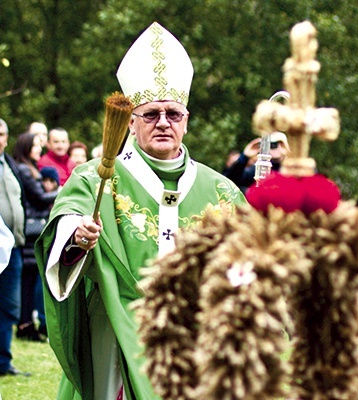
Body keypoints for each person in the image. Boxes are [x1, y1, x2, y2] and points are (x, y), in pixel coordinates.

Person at [36, 22, 247, 399]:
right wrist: (77, 236)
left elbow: (249, 264)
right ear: (130, 122)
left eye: (173, 113)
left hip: (193, 339)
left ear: (187, 120)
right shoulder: (97, 176)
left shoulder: (221, 190)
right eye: (151, 114)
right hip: (117, 333)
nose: (163, 122)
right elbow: (68, 219)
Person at [12, 133, 58, 342]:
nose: (39, 149)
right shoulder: (24, 169)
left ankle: (27, 323)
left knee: (30, 280)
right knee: (29, 280)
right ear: (26, 147)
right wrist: (63, 192)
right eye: (36, 145)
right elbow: (38, 197)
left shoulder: (31, 168)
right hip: (32, 230)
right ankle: (25, 324)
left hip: (33, 227)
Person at [0, 119, 30, 377]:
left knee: (10, 306)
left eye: (1, 134)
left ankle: (3, 361)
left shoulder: (9, 165)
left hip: (14, 247)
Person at [223, 131, 290, 193]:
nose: (274, 147)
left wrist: (289, 155)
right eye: (270, 144)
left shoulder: (292, 169)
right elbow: (231, 182)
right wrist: (244, 157)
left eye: (277, 143)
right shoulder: (259, 169)